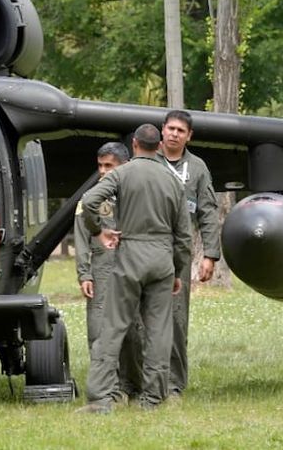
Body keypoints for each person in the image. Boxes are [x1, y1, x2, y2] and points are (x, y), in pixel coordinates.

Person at [78, 124, 191, 413]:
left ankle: (101, 399)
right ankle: (153, 399)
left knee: (113, 328)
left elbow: (90, 201)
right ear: (159, 146)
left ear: (135, 144)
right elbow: (184, 237)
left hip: (130, 256)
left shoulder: (122, 173)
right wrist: (177, 271)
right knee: (158, 331)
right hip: (163, 258)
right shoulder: (173, 180)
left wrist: (99, 231)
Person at [158, 109, 220, 399]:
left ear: (189, 136)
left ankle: (173, 385)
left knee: (176, 319)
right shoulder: (146, 161)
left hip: (178, 255)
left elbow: (207, 211)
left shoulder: (197, 168)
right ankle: (141, 382)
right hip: (142, 250)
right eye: (170, 128)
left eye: (180, 131)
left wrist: (210, 254)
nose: (174, 134)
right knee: (139, 319)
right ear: (162, 130)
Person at [73, 141, 141, 397]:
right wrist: (84, 274)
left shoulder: (136, 196)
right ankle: (107, 390)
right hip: (101, 271)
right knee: (98, 330)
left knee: (134, 331)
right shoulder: (89, 199)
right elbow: (81, 238)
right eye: (100, 166)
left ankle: (133, 385)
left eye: (109, 166)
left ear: (124, 166)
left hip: (132, 268)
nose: (103, 171)